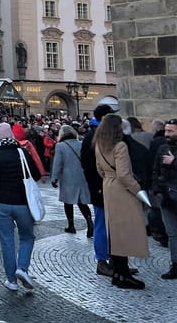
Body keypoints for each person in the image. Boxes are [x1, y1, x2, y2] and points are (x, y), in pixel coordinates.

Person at [0, 122, 41, 292]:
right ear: (11, 135)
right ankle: (23, 268)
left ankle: (11, 280)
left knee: (7, 240)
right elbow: (35, 173)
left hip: (0, 203)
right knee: (27, 237)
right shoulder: (22, 152)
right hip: (22, 203)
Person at [93, 114, 150, 289]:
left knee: (114, 232)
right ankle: (123, 274)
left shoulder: (99, 145)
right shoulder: (120, 146)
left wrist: (108, 180)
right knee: (124, 231)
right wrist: (138, 190)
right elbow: (124, 175)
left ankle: (118, 272)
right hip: (121, 190)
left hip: (109, 187)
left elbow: (100, 169)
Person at [81, 104, 117, 278]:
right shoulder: (91, 137)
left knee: (113, 224)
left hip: (110, 187)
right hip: (100, 188)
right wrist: (97, 187)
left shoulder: (107, 135)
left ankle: (116, 260)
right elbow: (88, 166)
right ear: (104, 117)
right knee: (102, 224)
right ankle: (102, 261)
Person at [50, 124, 93, 236]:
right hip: (82, 176)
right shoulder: (81, 143)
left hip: (68, 177)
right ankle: (89, 222)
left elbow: (57, 164)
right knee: (81, 202)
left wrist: (54, 178)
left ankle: (71, 225)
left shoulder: (60, 146)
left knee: (68, 202)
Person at [152, 118, 177, 280]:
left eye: (171, 131)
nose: (166, 134)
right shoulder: (162, 148)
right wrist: (156, 190)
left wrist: (174, 161)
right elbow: (154, 170)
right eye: (166, 130)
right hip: (167, 198)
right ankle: (175, 264)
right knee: (172, 233)